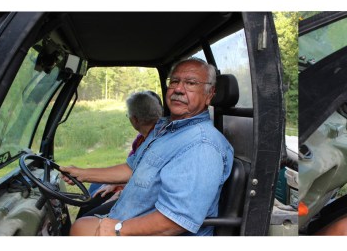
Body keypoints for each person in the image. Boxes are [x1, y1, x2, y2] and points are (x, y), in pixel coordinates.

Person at [62, 57, 234, 236]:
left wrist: (117, 229)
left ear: (209, 94)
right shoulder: (166, 128)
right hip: (128, 218)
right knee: (81, 226)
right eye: (174, 81)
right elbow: (131, 168)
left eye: (191, 83)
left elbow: (175, 221)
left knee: (80, 229)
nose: (178, 89)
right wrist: (82, 173)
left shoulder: (202, 145)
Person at [77, 90, 164, 218]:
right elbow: (132, 169)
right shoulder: (145, 138)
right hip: (134, 189)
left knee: (85, 219)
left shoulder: (155, 142)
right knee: (92, 196)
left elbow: (145, 181)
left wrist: (119, 194)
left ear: (134, 120)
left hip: (144, 200)